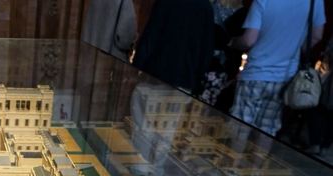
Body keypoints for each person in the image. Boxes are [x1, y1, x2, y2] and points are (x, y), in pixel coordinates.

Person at [229, 0, 326, 136]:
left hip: (255, 72)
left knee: (240, 127)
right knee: (267, 130)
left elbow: (248, 40)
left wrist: (232, 42)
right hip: (285, 77)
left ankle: (236, 151)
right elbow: (317, 35)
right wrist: (294, 50)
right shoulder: (315, 2)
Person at [133, 0, 215, 94]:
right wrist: (196, 82)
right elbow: (206, 53)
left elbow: (150, 37)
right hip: (184, 81)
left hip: (156, 74)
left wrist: (136, 67)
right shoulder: (206, 8)